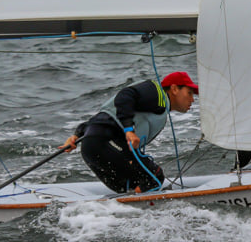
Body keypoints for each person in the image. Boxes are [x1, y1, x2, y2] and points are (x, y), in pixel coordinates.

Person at [65, 71, 198, 194]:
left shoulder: (156, 105)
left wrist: (76, 135)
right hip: (106, 142)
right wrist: (129, 130)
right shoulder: (156, 93)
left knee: (131, 185)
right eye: (189, 93)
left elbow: (101, 119)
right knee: (154, 178)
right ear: (174, 89)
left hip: (91, 147)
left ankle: (120, 209)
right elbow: (125, 95)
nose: (192, 99)